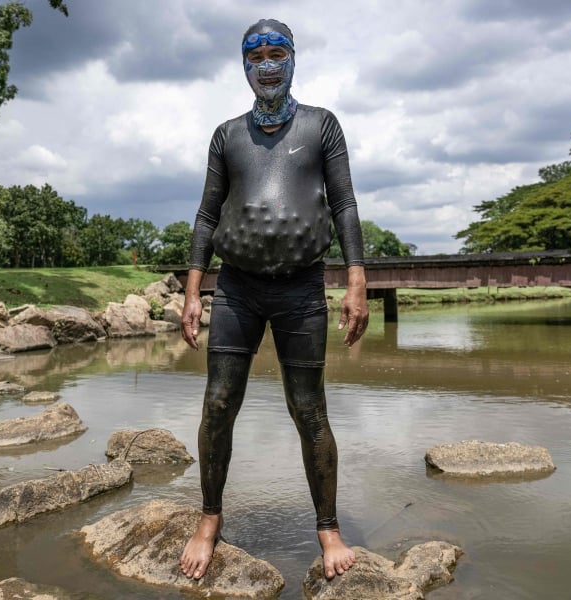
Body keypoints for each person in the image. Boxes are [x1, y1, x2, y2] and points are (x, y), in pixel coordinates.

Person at [179, 18, 369, 582]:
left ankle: (328, 528)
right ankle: (209, 519)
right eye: (255, 55)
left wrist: (357, 280)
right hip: (236, 286)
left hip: (301, 287)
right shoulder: (227, 135)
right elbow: (208, 213)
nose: (266, 65)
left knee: (309, 408)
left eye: (276, 53)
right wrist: (194, 289)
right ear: (244, 65)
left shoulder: (322, 126)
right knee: (218, 404)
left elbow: (345, 206)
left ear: (293, 59)